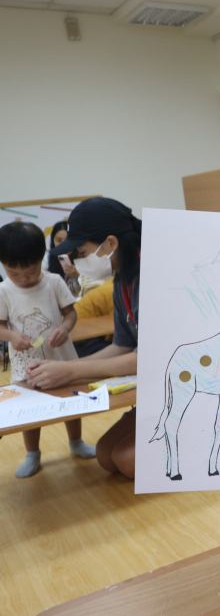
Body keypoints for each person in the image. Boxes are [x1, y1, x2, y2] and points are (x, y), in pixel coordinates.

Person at [27, 198, 142, 479]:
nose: (77, 260)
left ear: (111, 243)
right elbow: (122, 345)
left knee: (127, 462)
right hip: (155, 384)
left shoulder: (155, 276)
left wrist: (71, 370)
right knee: (106, 456)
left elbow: (148, 358)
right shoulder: (123, 280)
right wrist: (66, 370)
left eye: (82, 251)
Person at [0, 221, 96, 477]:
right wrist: (11, 335)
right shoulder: (4, 290)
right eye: (13, 272)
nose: (23, 279)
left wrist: (64, 329)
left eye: (30, 271)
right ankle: (32, 454)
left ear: (41, 259)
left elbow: (70, 314)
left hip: (60, 356)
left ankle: (76, 442)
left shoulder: (53, 282)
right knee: (27, 408)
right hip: (26, 362)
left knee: (71, 399)